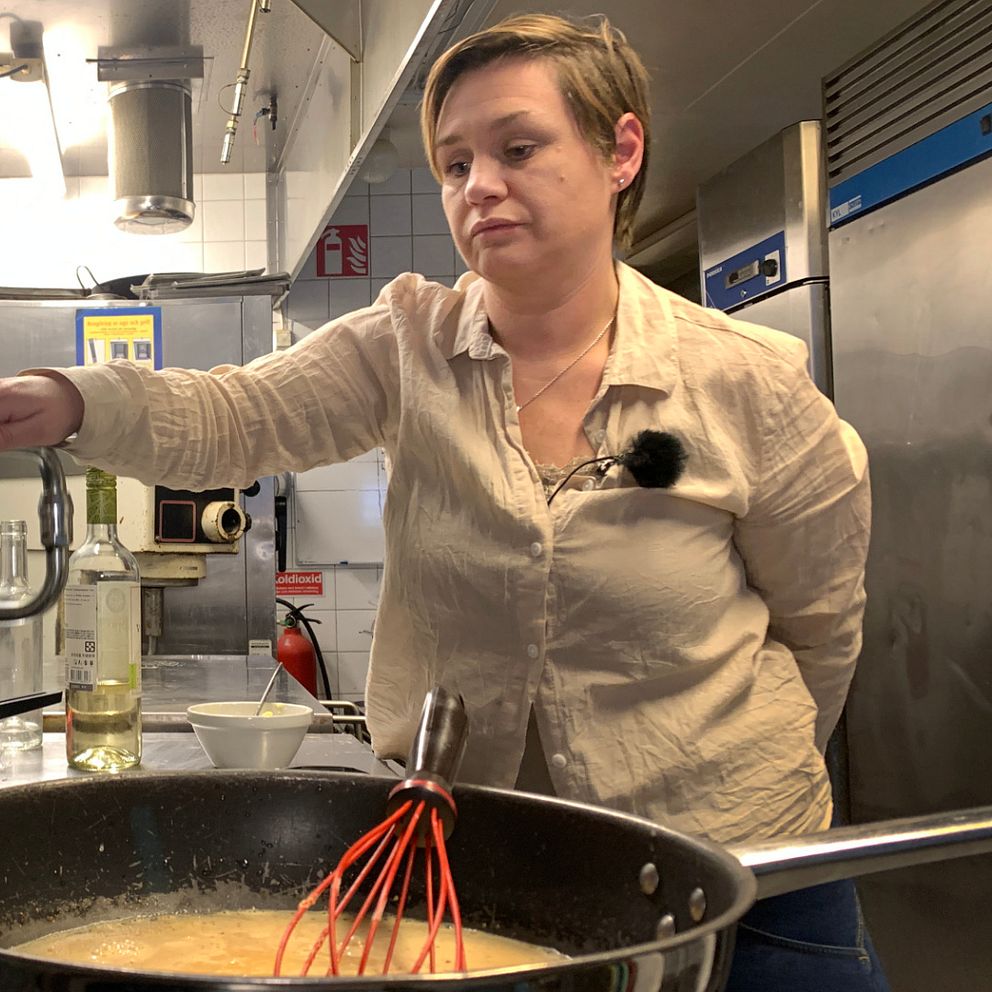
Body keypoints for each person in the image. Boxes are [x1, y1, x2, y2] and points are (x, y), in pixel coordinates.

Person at [0, 13, 884, 991]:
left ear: (620, 151)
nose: (479, 186)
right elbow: (236, 413)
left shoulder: (748, 383)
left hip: (741, 881)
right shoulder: (406, 347)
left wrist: (718, 775)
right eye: (455, 163)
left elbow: (821, 626)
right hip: (482, 868)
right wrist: (68, 399)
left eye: (518, 148)